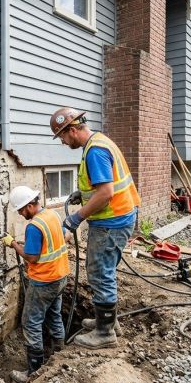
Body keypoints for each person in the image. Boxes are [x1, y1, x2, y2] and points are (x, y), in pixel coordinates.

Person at [50, 107, 140, 349]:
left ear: (71, 130)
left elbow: (106, 192)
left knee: (100, 272)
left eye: (62, 137)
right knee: (104, 270)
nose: (63, 141)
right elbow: (101, 184)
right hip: (119, 217)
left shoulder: (94, 152)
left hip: (112, 221)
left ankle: (104, 333)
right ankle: (108, 322)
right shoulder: (99, 141)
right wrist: (84, 193)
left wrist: (75, 218)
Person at [2, 186, 71, 383]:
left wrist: (13, 244)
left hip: (44, 281)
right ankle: (60, 356)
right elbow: (64, 237)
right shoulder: (53, 215)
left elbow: (32, 257)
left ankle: (34, 371)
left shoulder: (34, 226)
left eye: (22, 210)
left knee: (31, 322)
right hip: (60, 276)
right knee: (53, 315)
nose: (21, 214)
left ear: (30, 205)